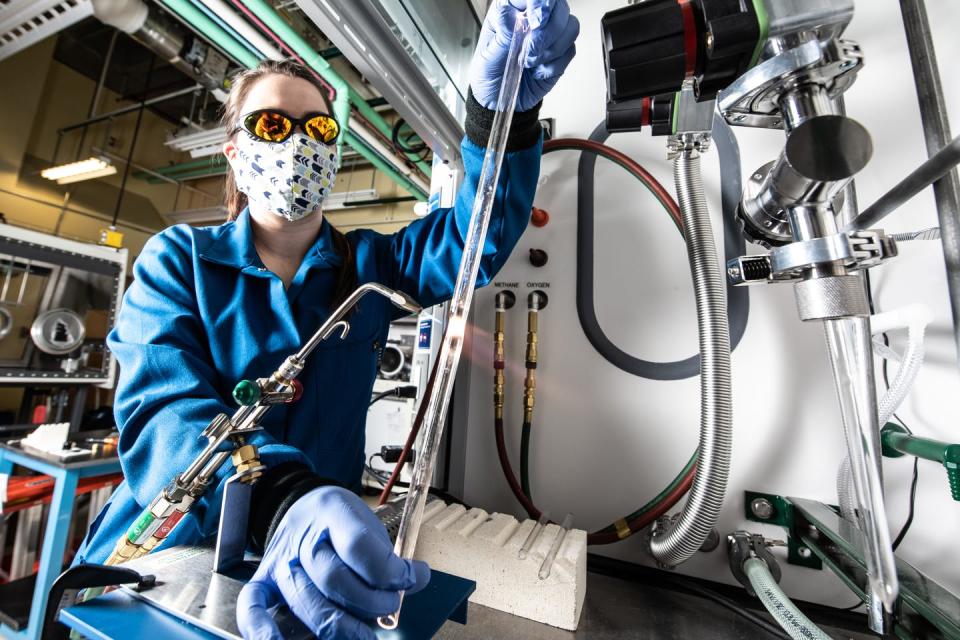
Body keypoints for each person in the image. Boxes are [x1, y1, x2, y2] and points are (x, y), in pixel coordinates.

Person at [74, 0, 578, 638]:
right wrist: (285, 497)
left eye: (317, 129)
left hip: (315, 562)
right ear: (234, 152)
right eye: (273, 125)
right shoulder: (179, 260)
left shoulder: (369, 264)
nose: (298, 143)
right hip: (166, 553)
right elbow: (164, 413)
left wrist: (501, 115)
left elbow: (477, 235)